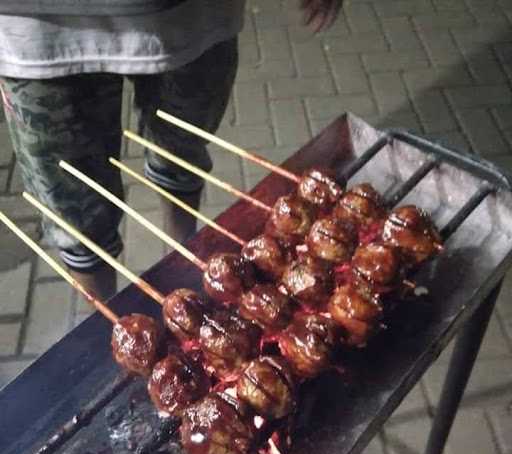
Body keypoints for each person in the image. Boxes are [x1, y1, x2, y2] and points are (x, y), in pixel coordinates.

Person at [0, 0, 343, 300]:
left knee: (181, 157)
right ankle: (102, 326)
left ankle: (184, 272)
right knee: (75, 218)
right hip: (35, 31)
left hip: (194, 16)